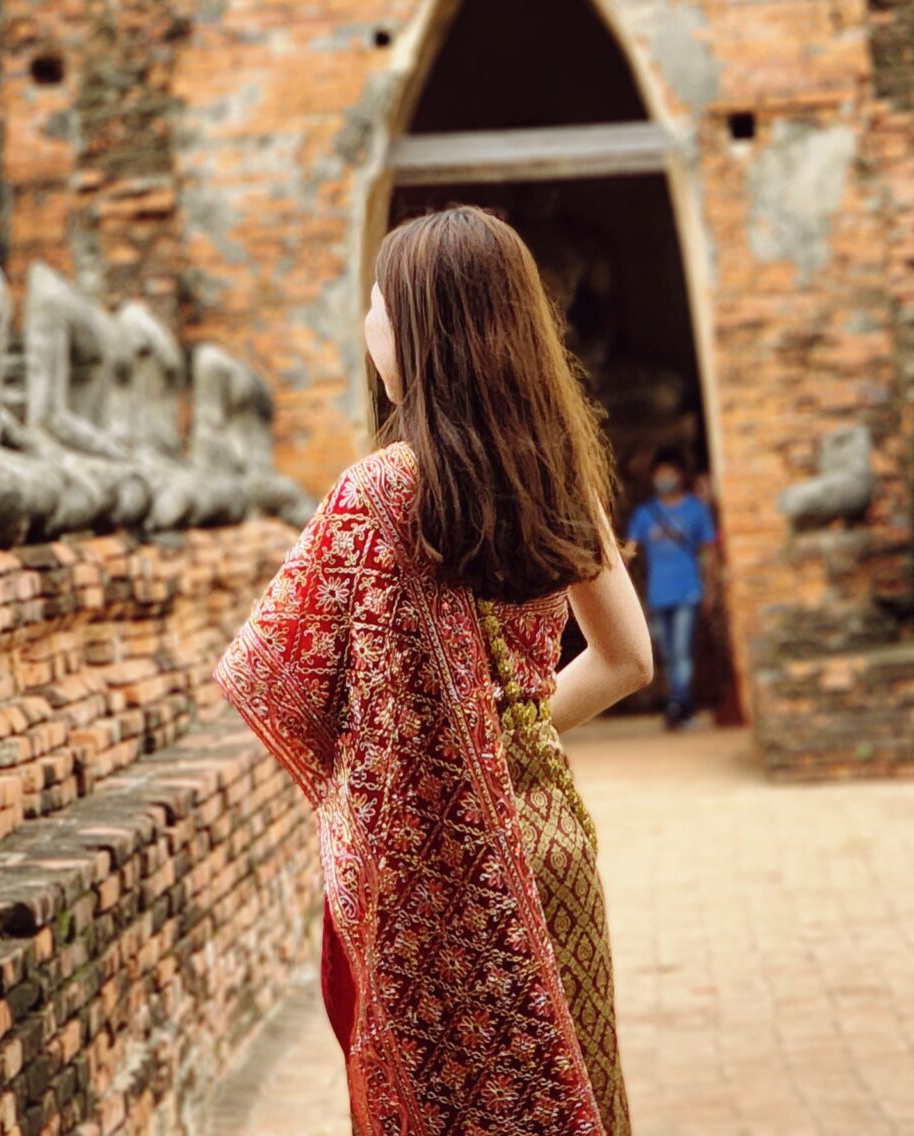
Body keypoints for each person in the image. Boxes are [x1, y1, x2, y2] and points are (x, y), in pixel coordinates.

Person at [218, 207, 652, 1136]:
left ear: (412, 328)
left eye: (375, 306)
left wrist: (440, 763)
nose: (367, 327)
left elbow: (270, 677)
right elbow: (628, 660)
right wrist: (503, 738)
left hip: (427, 873)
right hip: (550, 844)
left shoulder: (375, 491)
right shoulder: (557, 471)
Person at [622, 449, 716, 729]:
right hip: (658, 594)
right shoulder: (645, 513)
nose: (664, 478)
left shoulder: (695, 510)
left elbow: (710, 551)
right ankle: (680, 705)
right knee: (667, 651)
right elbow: (629, 552)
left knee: (681, 650)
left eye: (669, 473)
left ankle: (678, 707)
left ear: (679, 476)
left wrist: (711, 588)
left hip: (688, 589)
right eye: (660, 473)